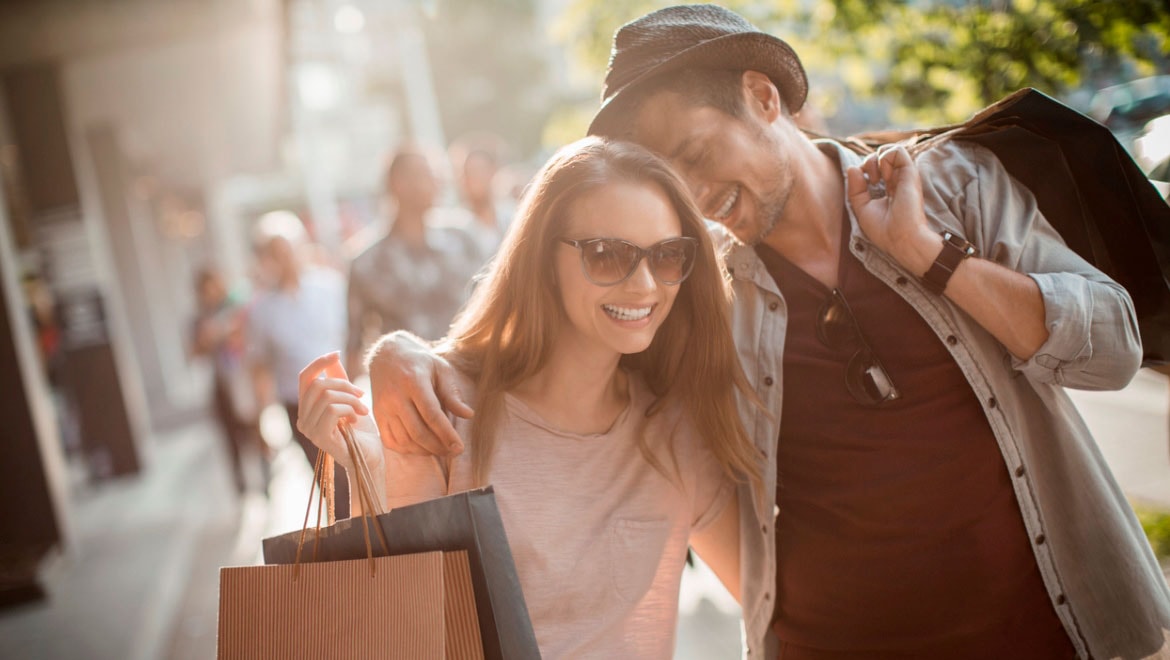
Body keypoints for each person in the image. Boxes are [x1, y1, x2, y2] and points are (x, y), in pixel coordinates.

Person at [362, 5, 1170, 660]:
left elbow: (1111, 351)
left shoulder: (955, 189)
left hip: (1039, 636)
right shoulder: (692, 285)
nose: (694, 192)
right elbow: (568, 348)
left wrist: (930, 256)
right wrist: (407, 355)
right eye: (668, 176)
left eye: (696, 153)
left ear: (762, 97)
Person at [297, 137, 759, 658]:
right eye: (607, 255)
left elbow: (773, 600)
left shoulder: (675, 429)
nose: (645, 284)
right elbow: (397, 633)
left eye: (668, 256)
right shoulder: (444, 413)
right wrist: (362, 462)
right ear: (541, 258)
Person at [344, 144, 486, 376]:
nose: (437, 181)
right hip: (414, 392)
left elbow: (494, 303)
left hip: (477, 377)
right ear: (399, 184)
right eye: (427, 174)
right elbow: (354, 343)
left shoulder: (462, 238)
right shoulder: (366, 262)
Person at [246, 210, 350, 519]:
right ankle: (358, 558)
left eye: (289, 249)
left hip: (345, 398)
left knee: (363, 478)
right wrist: (261, 423)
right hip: (301, 408)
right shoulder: (261, 310)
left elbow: (356, 340)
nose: (285, 258)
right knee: (333, 492)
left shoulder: (331, 287)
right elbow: (260, 368)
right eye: (275, 253)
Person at [190, 265, 268, 496]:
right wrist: (207, 339)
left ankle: (266, 477)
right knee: (230, 437)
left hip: (243, 380)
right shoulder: (200, 319)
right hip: (222, 384)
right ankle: (241, 484)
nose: (212, 291)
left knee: (255, 430)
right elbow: (195, 351)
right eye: (206, 288)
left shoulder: (236, 306)